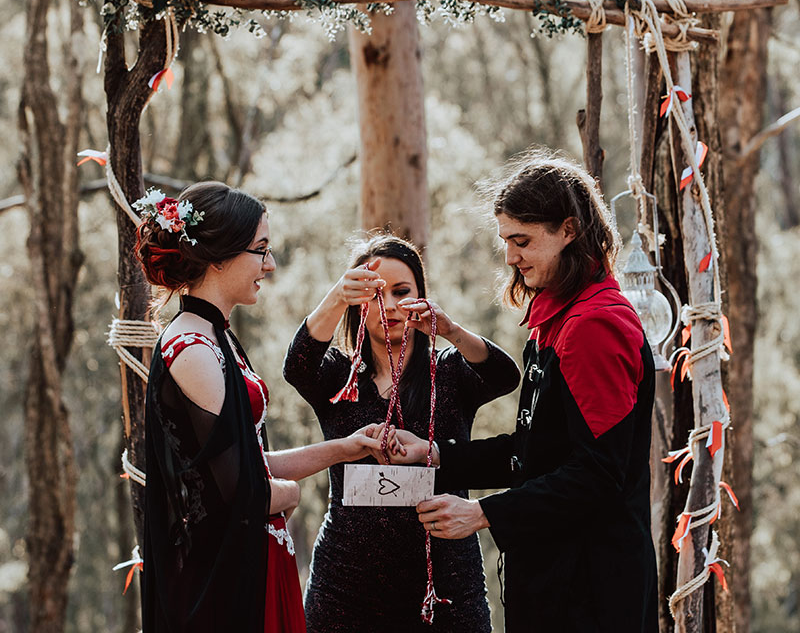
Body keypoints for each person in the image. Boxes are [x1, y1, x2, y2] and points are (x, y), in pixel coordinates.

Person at [386, 153, 658, 633]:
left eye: (522, 240)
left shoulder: (595, 325)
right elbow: (534, 453)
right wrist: (435, 454)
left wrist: (481, 513)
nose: (510, 256)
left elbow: (597, 473)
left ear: (569, 230)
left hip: (591, 591)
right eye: (506, 241)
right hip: (552, 579)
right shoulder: (555, 318)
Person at [135, 181, 387, 633]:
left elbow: (245, 465)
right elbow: (237, 493)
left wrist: (345, 449)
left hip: (250, 564)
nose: (269, 265)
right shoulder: (192, 348)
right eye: (260, 250)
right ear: (218, 257)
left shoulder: (218, 337)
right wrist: (288, 494)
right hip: (219, 589)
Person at [282, 234, 521, 633]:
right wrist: (338, 296)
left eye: (401, 291)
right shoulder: (338, 378)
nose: (389, 306)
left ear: (420, 296)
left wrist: (451, 330)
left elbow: (505, 375)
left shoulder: (449, 372)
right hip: (344, 584)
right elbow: (298, 366)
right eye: (374, 293)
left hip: (445, 583)